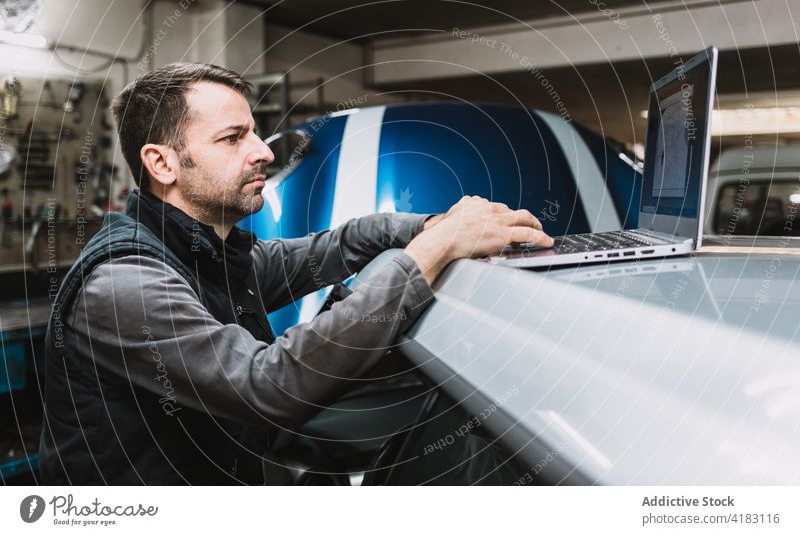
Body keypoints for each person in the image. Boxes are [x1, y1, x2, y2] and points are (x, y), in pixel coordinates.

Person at [38, 63, 553, 485]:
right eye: (233, 138)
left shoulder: (212, 258)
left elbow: (345, 242)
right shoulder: (124, 283)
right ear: (164, 164)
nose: (263, 151)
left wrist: (435, 224)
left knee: (460, 421)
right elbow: (269, 386)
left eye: (255, 132)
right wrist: (434, 248)